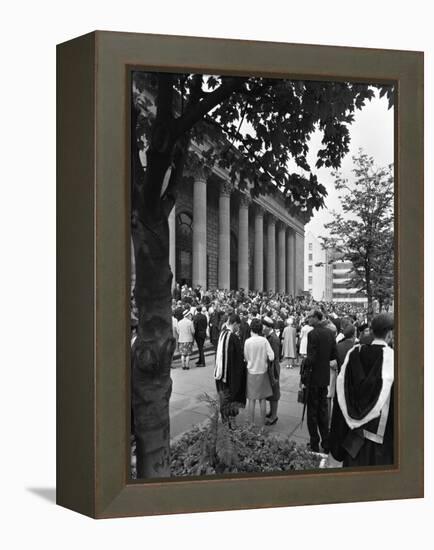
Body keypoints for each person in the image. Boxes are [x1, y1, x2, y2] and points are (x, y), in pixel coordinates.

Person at [328, 313, 394, 467]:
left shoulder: (354, 354)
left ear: (371, 331)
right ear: (390, 333)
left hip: (353, 440)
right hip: (381, 444)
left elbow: (341, 396)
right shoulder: (395, 360)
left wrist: (337, 438)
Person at [304, 309, 338, 453]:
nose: (307, 319)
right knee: (323, 411)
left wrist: (305, 363)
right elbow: (333, 355)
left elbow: (311, 358)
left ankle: (314, 443)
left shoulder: (312, 334)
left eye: (310, 317)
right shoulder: (330, 333)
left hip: (313, 378)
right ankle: (326, 442)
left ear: (317, 318)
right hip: (324, 377)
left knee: (312, 412)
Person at [213, 313, 247, 424]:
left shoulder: (222, 334)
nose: (238, 328)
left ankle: (225, 422)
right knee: (230, 400)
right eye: (238, 325)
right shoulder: (232, 337)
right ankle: (230, 424)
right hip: (229, 377)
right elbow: (238, 360)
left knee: (223, 400)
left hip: (220, 374)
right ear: (235, 323)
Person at [244, 319, 274, 426]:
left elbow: (246, 357)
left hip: (251, 372)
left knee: (251, 400)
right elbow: (272, 356)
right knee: (262, 399)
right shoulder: (264, 341)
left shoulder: (247, 341)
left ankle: (251, 424)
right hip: (262, 372)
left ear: (251, 328)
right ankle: (262, 426)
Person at [262, 316, 281, 426]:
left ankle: (274, 416)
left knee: (274, 392)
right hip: (270, 368)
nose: (262, 328)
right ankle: (271, 412)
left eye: (263, 326)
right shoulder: (269, 337)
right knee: (271, 392)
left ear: (268, 327)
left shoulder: (273, 339)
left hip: (272, 369)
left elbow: (273, 357)